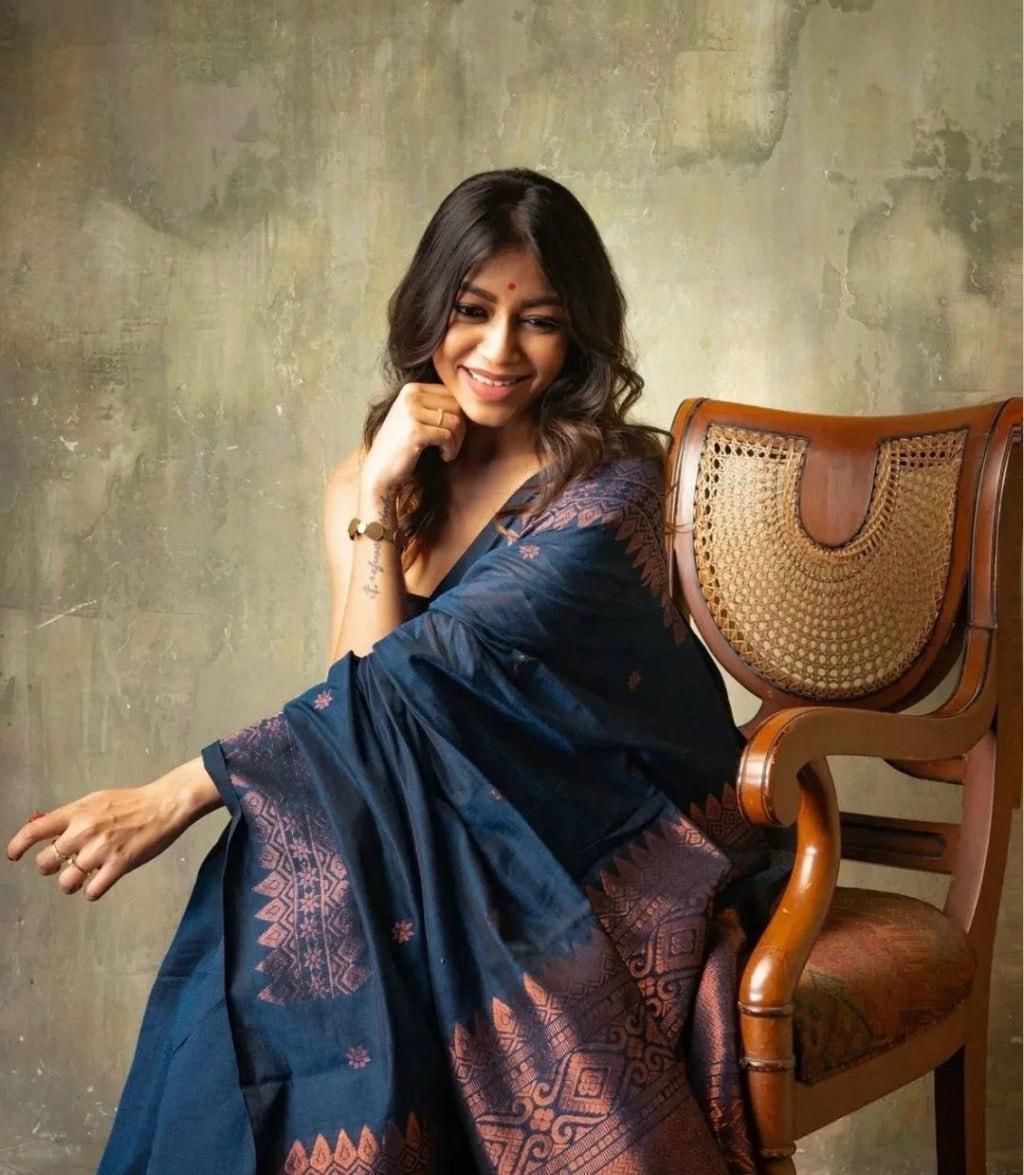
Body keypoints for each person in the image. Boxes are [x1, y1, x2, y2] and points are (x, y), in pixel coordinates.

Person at [7, 168, 773, 1174]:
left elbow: (425, 672)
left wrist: (182, 791)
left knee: (305, 888)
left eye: (539, 321)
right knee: (300, 883)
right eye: (472, 311)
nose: (499, 351)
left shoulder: (611, 486)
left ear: (578, 334)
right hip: (443, 822)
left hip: (602, 830)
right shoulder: (373, 479)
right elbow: (360, 701)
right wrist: (376, 496)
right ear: (429, 308)